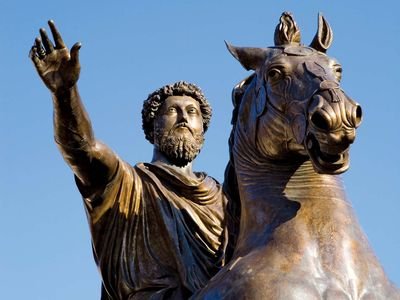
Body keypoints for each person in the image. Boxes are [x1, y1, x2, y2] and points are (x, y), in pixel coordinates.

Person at [30, 21, 228, 300]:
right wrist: (64, 94)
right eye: (173, 110)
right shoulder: (124, 184)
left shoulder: (226, 199)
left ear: (203, 132)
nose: (184, 116)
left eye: (193, 112)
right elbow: (82, 149)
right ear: (152, 127)